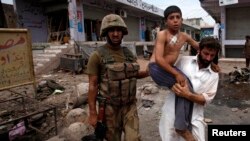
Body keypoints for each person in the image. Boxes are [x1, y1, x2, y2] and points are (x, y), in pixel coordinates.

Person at [148, 5, 220, 141]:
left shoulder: (184, 36)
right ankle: (182, 127)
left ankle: (182, 125)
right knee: (185, 84)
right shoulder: (162, 34)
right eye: (171, 18)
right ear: (166, 21)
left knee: (185, 88)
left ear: (182, 19)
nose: (175, 20)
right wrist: (176, 74)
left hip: (167, 69)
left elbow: (202, 48)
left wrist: (214, 63)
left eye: (178, 17)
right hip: (157, 68)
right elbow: (158, 59)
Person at [86, 14, 148, 141]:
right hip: (109, 110)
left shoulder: (128, 53)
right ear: (106, 33)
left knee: (134, 139)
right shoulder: (97, 56)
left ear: (123, 32)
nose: (115, 34)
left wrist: (152, 70)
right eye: (111, 30)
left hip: (129, 107)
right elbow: (92, 85)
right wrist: (93, 113)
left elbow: (134, 75)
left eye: (118, 30)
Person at [158, 37, 221, 141]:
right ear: (199, 50)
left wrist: (187, 94)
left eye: (212, 55)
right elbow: (170, 78)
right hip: (171, 112)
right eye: (206, 53)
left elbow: (206, 100)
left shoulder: (214, 75)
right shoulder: (183, 61)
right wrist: (173, 86)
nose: (208, 58)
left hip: (194, 117)